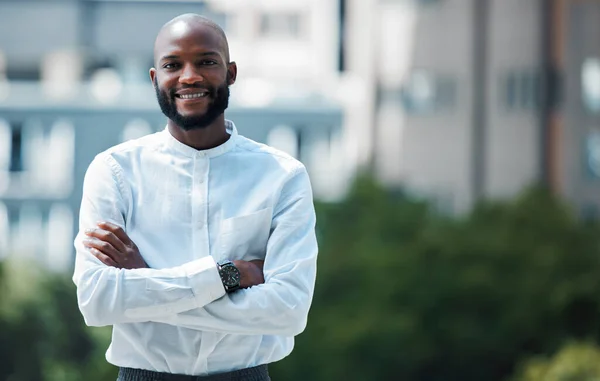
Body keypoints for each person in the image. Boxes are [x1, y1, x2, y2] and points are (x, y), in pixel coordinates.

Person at [72, 13, 318, 381]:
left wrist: (145, 280)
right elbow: (96, 301)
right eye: (173, 64)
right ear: (155, 79)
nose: (189, 76)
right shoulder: (114, 171)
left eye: (206, 61)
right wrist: (227, 276)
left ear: (231, 73)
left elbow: (288, 310)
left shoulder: (282, 176)